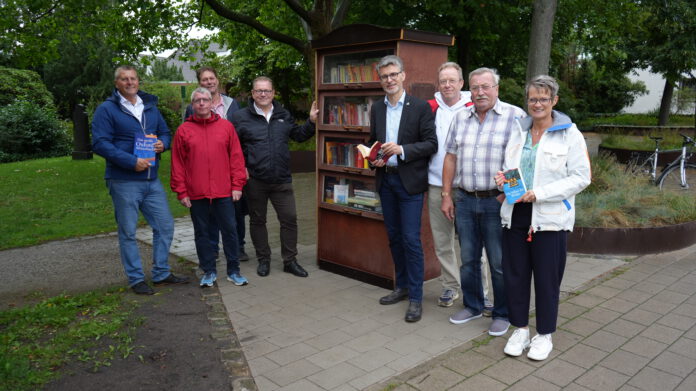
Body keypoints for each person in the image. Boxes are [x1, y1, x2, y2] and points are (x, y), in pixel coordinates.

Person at [496, 75, 591, 360]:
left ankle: (544, 335)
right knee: (515, 276)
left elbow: (581, 177)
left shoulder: (569, 133)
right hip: (516, 214)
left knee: (547, 280)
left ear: (554, 101)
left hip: (549, 218)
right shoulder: (518, 131)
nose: (537, 104)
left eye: (543, 99)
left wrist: (540, 193)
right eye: (533, 99)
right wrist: (504, 180)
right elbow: (512, 168)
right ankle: (521, 330)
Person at [441, 67, 526, 335]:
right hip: (465, 199)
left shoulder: (516, 116)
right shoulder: (460, 118)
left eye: (486, 86)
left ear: (496, 89)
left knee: (499, 263)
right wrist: (447, 195)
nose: (480, 92)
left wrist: (508, 195)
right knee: (468, 259)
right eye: (476, 87)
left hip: (496, 201)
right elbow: (450, 157)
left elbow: (525, 158)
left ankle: (502, 312)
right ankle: (473, 305)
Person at [92, 65, 190, 295]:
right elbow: (99, 143)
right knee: (128, 231)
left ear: (138, 81)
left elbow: (166, 133)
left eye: (133, 78)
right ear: (117, 83)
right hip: (123, 180)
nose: (129, 82)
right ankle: (136, 278)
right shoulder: (107, 109)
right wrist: (130, 161)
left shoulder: (150, 107)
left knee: (164, 225)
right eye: (124, 79)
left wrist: (162, 144)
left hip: (151, 179)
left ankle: (161, 273)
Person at [370, 55, 437, 323]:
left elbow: (431, 143)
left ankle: (417, 298)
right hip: (386, 180)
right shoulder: (377, 108)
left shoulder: (420, 107)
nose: (389, 79)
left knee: (411, 240)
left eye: (393, 74)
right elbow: (372, 141)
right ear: (381, 79)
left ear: (403, 75)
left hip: (409, 183)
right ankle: (403, 286)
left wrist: (402, 149)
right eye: (385, 76)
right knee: (394, 237)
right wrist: (374, 157)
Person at [231, 76, 318, 278]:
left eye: (267, 91)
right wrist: (240, 167)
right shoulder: (240, 117)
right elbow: (232, 147)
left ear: (273, 93)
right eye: (259, 91)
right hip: (255, 180)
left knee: (290, 219)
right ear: (252, 94)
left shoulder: (283, 114)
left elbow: (298, 135)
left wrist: (311, 122)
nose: (263, 94)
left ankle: (290, 260)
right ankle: (264, 259)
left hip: (282, 179)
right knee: (257, 221)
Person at [172, 87, 248, 287]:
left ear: (212, 103)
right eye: (197, 101)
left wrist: (237, 185)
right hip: (197, 193)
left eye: (205, 100)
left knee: (230, 231)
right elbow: (177, 163)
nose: (202, 104)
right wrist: (181, 191)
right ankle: (208, 271)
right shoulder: (183, 131)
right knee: (202, 233)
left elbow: (236, 158)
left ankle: (234, 270)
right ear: (192, 105)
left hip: (224, 191)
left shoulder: (226, 127)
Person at [184, 67, 249, 262]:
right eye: (204, 80)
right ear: (199, 83)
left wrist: (242, 165)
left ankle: (239, 246)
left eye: (212, 78)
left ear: (217, 80)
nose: (209, 82)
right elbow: (187, 137)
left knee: (236, 209)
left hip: (231, 165)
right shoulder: (194, 105)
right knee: (210, 210)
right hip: (206, 169)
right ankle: (212, 248)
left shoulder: (232, 104)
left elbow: (241, 135)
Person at [427, 62, 473, 307]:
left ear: (461, 83)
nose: (447, 85)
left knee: (474, 245)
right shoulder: (429, 108)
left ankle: (480, 291)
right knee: (443, 243)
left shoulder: (474, 106)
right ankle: (449, 287)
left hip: (467, 187)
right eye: (443, 81)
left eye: (452, 80)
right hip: (436, 184)